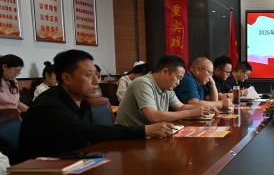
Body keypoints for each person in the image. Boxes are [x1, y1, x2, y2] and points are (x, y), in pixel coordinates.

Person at [19, 50, 174, 159]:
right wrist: (145, 130)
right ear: (66, 78)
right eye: (89, 75)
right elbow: (87, 133)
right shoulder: (49, 106)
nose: (96, 81)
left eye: (96, 75)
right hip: (41, 174)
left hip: (74, 162)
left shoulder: (82, 101)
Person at [116, 55, 210, 127]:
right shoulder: (143, 83)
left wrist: (204, 108)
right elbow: (153, 116)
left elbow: (181, 107)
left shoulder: (167, 87)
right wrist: (190, 113)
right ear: (165, 72)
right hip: (129, 137)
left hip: (148, 133)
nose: (178, 83)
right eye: (178, 78)